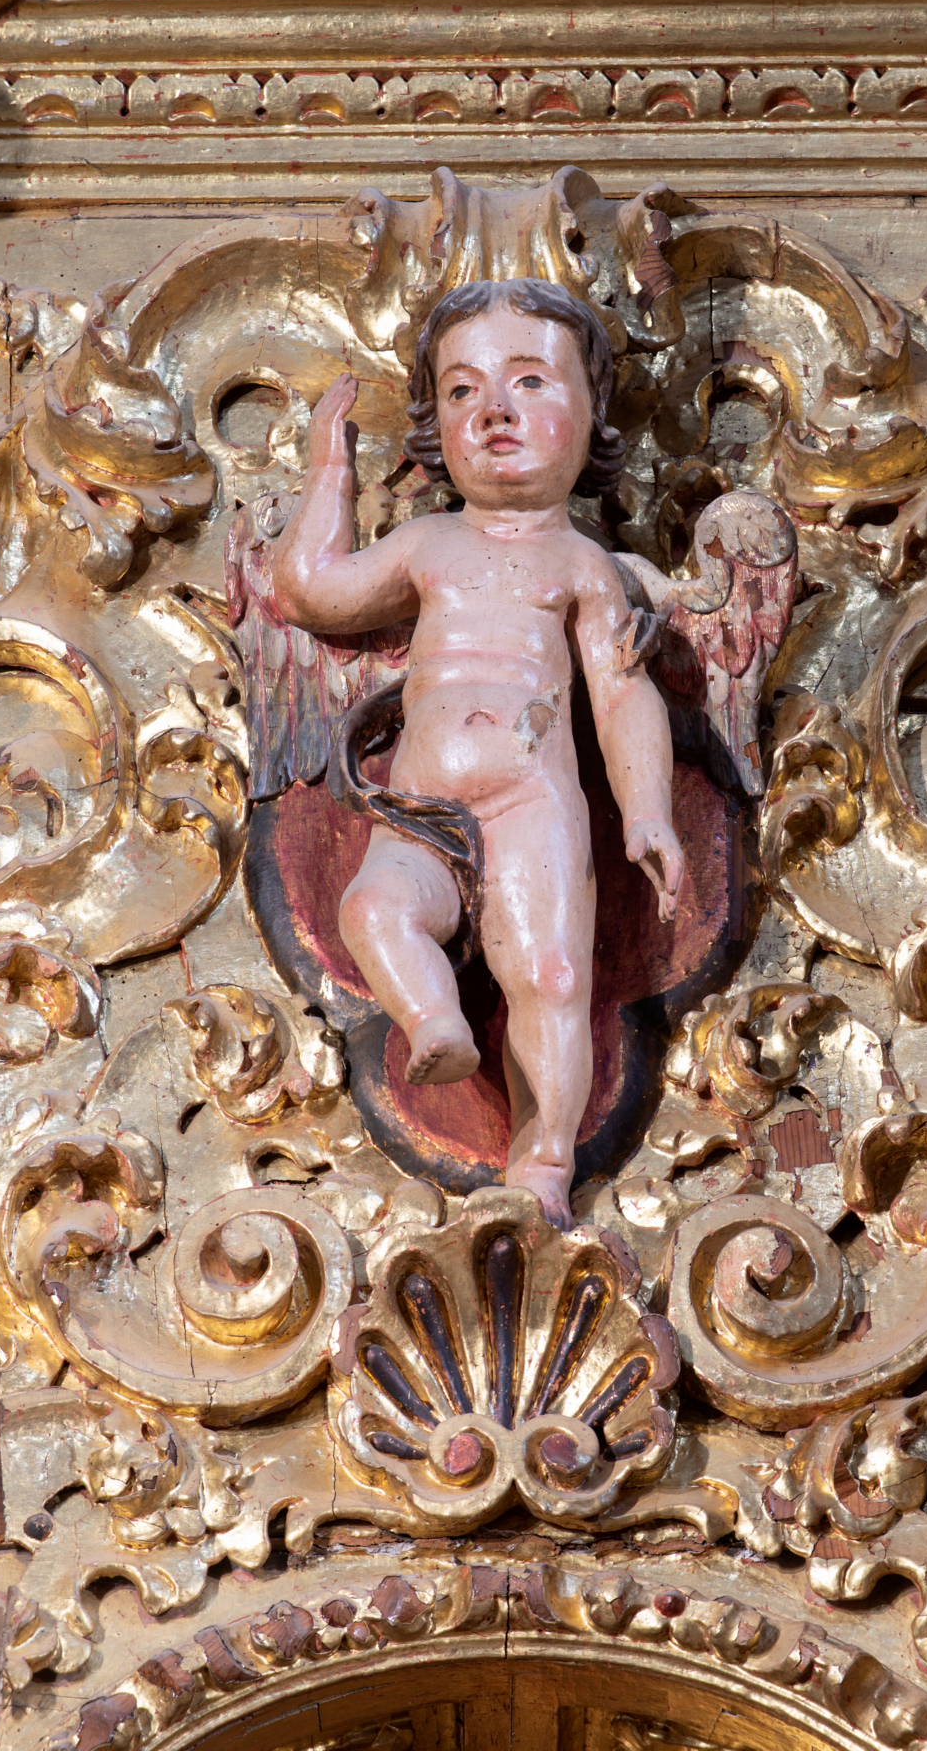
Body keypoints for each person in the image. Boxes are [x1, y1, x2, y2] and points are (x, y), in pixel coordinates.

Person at [270, 278, 684, 1229]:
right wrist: (330, 468)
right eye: (461, 390)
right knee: (372, 909)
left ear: (592, 417)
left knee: (552, 976)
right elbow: (311, 592)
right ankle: (435, 1024)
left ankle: (542, 1164)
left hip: (530, 803)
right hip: (421, 805)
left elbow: (624, 694)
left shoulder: (582, 566)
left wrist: (648, 812)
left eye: (530, 381)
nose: (494, 408)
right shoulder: (429, 544)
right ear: (434, 426)